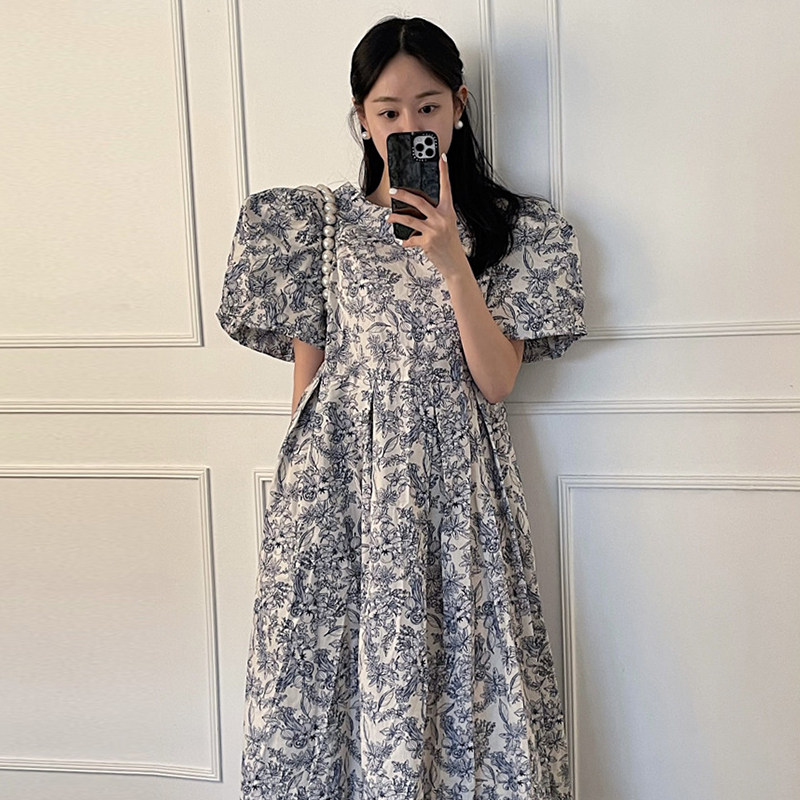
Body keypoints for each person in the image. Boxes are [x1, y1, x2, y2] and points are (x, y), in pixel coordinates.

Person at [216, 15, 586, 800]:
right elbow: (308, 386)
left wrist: (453, 263)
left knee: (463, 673)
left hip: (455, 486)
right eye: (387, 111)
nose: (408, 124)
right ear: (362, 117)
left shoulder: (514, 230)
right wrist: (298, 517)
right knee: (330, 683)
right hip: (340, 490)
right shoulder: (315, 227)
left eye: (427, 107)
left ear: (459, 106)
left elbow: (496, 381)